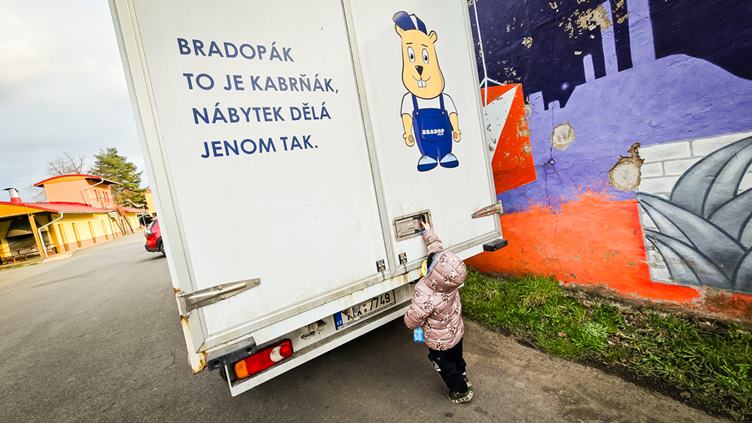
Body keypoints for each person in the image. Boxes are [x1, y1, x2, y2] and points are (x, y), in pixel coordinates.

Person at [404, 220, 473, 404]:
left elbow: (413, 319)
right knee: (457, 358)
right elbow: (437, 251)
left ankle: (460, 391)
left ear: (430, 272)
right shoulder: (450, 282)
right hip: (456, 333)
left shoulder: (426, 293)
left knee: (445, 367)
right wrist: (428, 233)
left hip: (438, 343)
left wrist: (410, 322)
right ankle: (463, 376)